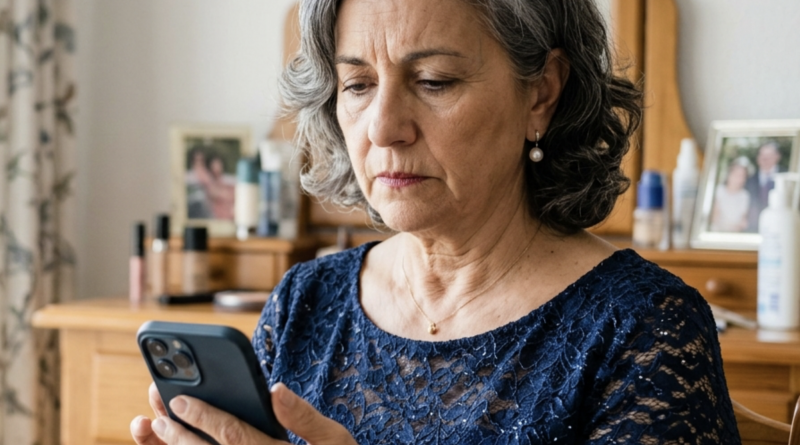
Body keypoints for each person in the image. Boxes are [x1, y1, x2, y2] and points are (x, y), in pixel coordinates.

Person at [131, 0, 741, 443]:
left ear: (542, 93)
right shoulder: (305, 301)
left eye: (433, 80)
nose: (383, 126)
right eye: (358, 84)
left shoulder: (643, 327)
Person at [745, 141, 784, 232]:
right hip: (753, 229)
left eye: (769, 155)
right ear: (758, 158)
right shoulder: (749, 180)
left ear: (777, 157)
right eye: (762, 155)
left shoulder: (786, 176)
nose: (765, 159)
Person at [711, 157, 753, 232]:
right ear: (729, 174)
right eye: (737, 175)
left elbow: (743, 221)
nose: (739, 179)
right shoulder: (719, 191)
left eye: (742, 176)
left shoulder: (745, 195)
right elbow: (715, 218)